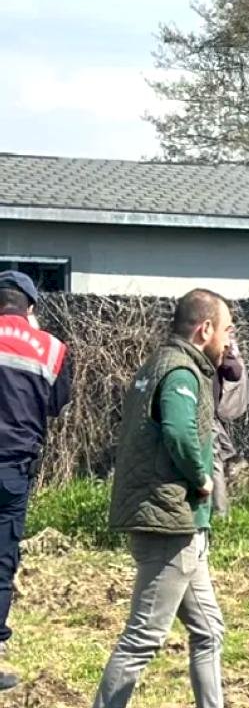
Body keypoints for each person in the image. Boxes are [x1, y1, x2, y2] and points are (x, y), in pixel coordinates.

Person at [93, 289, 234, 708]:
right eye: (225, 330)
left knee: (209, 630)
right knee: (143, 637)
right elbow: (176, 431)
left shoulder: (157, 364)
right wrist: (201, 477)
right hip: (171, 523)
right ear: (204, 328)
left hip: (178, 522)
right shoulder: (181, 374)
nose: (227, 341)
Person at [0, 270, 72, 691]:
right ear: (29, 308)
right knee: (1, 563)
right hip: (13, 470)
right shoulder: (52, 348)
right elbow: (56, 404)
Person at [210, 336, 249, 519]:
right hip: (205, 411)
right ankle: (219, 515)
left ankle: (218, 515)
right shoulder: (213, 341)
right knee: (213, 459)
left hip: (207, 411)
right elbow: (234, 371)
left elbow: (234, 373)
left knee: (214, 458)